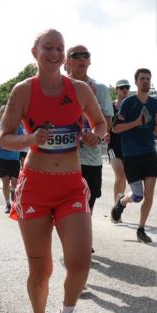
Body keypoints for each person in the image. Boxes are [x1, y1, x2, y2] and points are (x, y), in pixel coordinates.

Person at [0, 29, 106, 313]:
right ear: (35, 51)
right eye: (49, 47)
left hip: (71, 184)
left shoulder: (80, 90)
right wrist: (30, 140)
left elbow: (101, 124)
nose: (56, 53)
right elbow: (4, 137)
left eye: (60, 48)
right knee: (41, 268)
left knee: (79, 261)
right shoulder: (23, 91)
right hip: (36, 186)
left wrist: (94, 136)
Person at [109, 68, 157, 244]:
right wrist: (136, 122)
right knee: (138, 195)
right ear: (136, 82)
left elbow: (155, 131)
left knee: (149, 194)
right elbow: (116, 128)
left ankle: (141, 229)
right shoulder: (128, 103)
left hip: (149, 152)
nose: (145, 81)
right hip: (131, 154)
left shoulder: (155, 104)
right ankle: (122, 201)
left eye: (148, 78)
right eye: (142, 78)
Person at [63, 44, 114, 213]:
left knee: (87, 208)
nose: (82, 58)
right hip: (64, 159)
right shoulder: (58, 88)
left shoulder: (100, 89)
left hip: (91, 159)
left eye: (86, 55)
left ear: (90, 61)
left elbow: (106, 121)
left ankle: (80, 238)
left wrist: (97, 135)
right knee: (65, 209)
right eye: (76, 55)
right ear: (67, 61)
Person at [0, 105, 26, 214]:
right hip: (1, 158)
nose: (6, 114)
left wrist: (15, 143)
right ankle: (8, 204)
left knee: (14, 183)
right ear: (0, 114)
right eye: (3, 112)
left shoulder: (17, 127)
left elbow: (23, 142)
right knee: (5, 181)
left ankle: (13, 194)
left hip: (14, 158)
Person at [107, 80, 130, 208]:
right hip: (113, 146)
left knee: (124, 178)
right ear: (116, 90)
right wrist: (105, 133)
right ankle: (116, 207)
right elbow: (104, 123)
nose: (124, 90)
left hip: (127, 147)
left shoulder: (131, 107)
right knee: (120, 175)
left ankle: (119, 206)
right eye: (121, 88)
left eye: (127, 87)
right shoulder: (110, 106)